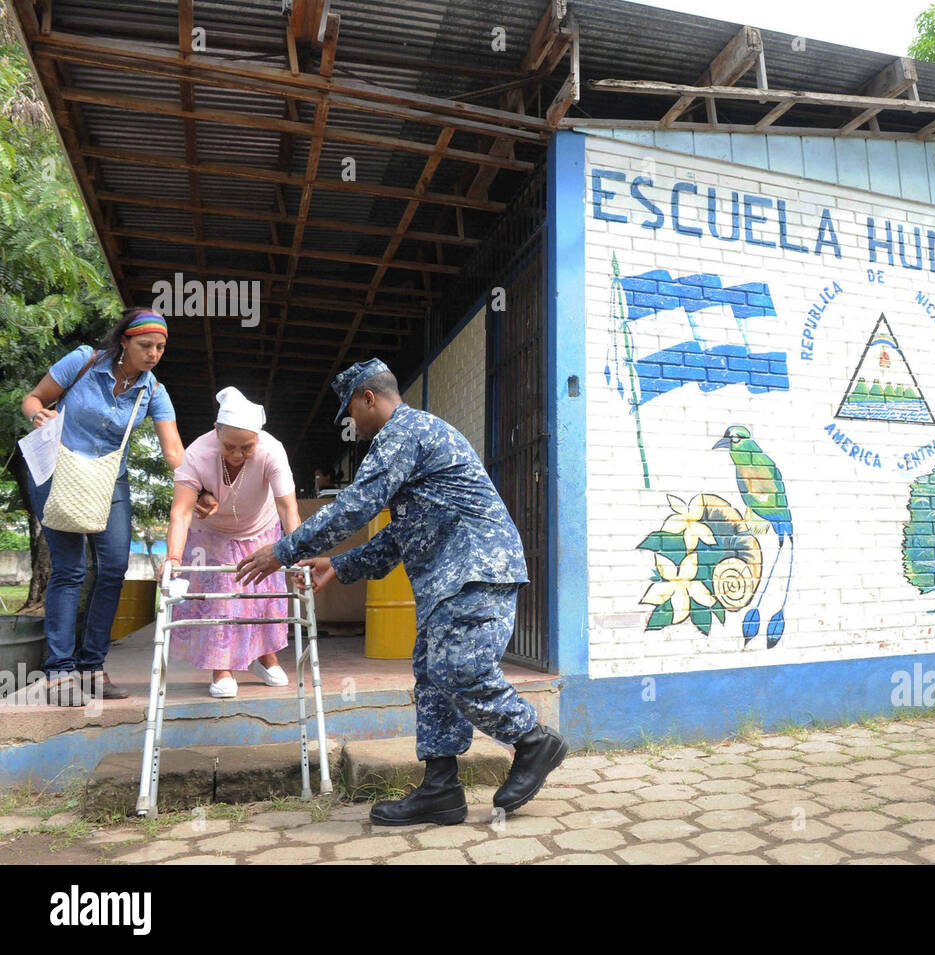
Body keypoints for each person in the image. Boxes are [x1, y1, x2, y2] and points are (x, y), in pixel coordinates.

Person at [235, 359, 568, 825]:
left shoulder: (405, 432)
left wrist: (284, 550)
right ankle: (441, 790)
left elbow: (356, 505)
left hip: (477, 566)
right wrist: (341, 563)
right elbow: (399, 535)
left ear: (368, 397)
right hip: (446, 580)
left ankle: (533, 740)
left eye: (350, 411)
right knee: (433, 676)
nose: (351, 424)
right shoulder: (410, 441)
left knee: (458, 667)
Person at [20, 308, 214, 706]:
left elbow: (174, 451)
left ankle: (92, 667)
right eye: (146, 345)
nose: (154, 353)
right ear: (124, 341)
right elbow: (34, 398)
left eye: (160, 347)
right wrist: (38, 414)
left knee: (112, 568)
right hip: (59, 472)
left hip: (109, 479)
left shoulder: (153, 391)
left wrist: (201, 489)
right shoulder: (84, 361)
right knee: (71, 568)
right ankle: (59, 672)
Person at [162, 387, 301, 698]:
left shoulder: (272, 451)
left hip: (260, 526)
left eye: (246, 447)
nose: (238, 455)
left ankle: (265, 659)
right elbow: (181, 511)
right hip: (212, 534)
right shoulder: (197, 454)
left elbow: (287, 507)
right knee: (222, 597)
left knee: (263, 598)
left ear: (258, 439)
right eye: (230, 447)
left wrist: (298, 553)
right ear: (216, 431)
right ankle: (222, 667)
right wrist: (172, 557)